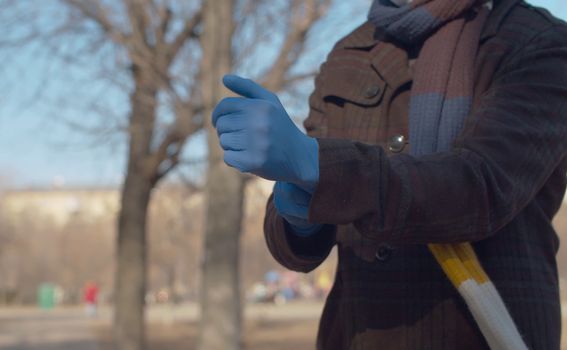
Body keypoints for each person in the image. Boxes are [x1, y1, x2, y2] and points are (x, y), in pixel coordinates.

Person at [211, 0, 567, 348]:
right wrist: (297, 215)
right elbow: (294, 249)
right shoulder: (348, 52)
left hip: (482, 332)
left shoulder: (539, 39)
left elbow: (482, 187)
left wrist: (322, 168)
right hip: (360, 332)